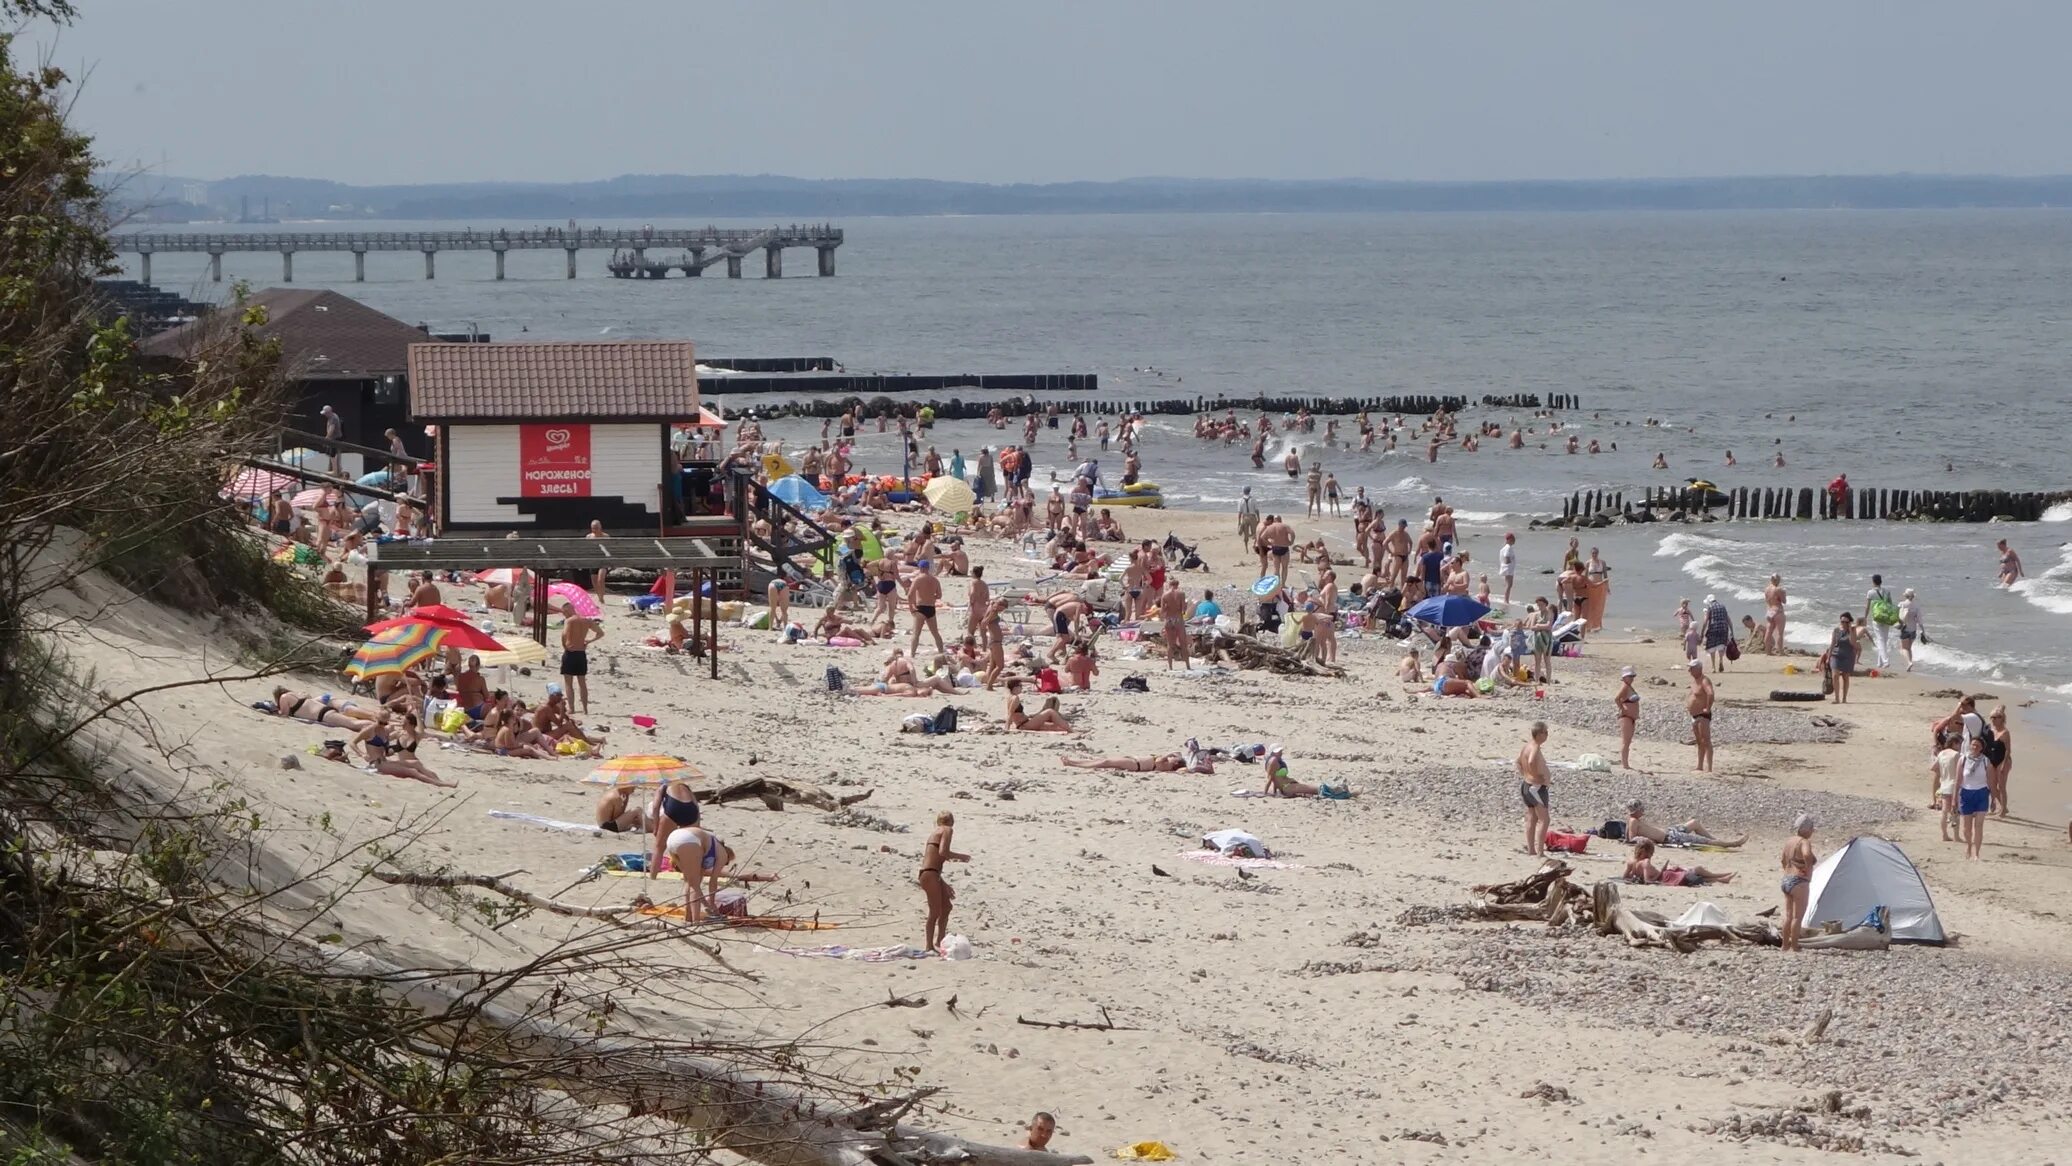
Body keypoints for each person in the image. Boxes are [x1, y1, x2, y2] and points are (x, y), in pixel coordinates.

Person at [919, 811, 969, 952]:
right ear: (951, 821)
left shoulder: (936, 831)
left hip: (931, 874)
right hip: (930, 874)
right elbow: (943, 852)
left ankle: (940, 940)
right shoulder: (947, 830)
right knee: (934, 911)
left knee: (946, 907)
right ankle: (929, 946)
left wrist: (943, 883)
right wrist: (961, 857)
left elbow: (934, 859)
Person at [665, 824, 734, 923]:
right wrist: (711, 903)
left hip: (673, 838)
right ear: (728, 856)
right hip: (689, 840)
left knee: (689, 881)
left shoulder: (707, 850)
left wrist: (708, 903)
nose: (724, 864)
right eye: (727, 863)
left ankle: (688, 917)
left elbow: (697, 878)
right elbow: (713, 881)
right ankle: (696, 920)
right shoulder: (722, 854)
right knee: (694, 884)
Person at [1625, 800, 1745, 848]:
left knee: (1694, 822)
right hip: (1670, 838)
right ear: (1636, 811)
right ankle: (1731, 844)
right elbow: (1632, 839)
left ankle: (1716, 840)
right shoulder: (1633, 822)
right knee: (1701, 840)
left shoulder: (1634, 820)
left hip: (1670, 832)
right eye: (1641, 809)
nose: (1643, 811)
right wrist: (1648, 841)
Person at [1625, 839, 1735, 887]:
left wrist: (1634, 878)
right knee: (1697, 871)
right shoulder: (1646, 862)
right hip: (1667, 877)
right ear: (1646, 852)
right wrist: (1662, 871)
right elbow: (1648, 881)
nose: (1652, 856)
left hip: (1666, 876)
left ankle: (1721, 878)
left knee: (1696, 876)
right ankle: (1721, 876)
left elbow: (1625, 877)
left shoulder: (1631, 862)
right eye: (1651, 853)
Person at [1780, 815, 1817, 953]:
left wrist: (1788, 871)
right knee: (1797, 916)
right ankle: (1794, 946)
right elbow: (1807, 855)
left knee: (1788, 915)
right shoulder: (1803, 842)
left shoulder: (1789, 841)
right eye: (1812, 829)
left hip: (1786, 879)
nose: (1812, 832)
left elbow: (1783, 860)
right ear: (1806, 830)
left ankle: (1784, 946)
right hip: (1799, 881)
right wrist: (1807, 870)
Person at [559, 601, 604, 715]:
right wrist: (589, 641)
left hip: (570, 653)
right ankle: (585, 709)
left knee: (569, 683)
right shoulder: (586, 620)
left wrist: (565, 647)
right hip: (581, 653)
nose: (564, 615)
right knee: (582, 683)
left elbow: (564, 636)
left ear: (567, 610)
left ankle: (572, 708)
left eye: (564, 612)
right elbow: (600, 633)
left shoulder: (569, 621)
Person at [1516, 722, 1552, 854]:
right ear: (1539, 734)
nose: (1547, 735)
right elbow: (1530, 761)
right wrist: (1535, 777)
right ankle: (1540, 852)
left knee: (1532, 817)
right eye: (1545, 733)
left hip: (1527, 786)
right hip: (1536, 788)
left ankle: (1531, 850)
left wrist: (1526, 775)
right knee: (1544, 819)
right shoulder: (1535, 747)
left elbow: (1518, 762)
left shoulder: (1527, 746)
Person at [1958, 734, 1991, 860]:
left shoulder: (1986, 761)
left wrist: (1993, 798)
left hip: (1981, 792)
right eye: (1973, 744)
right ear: (1970, 745)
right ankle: (1968, 846)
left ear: (1982, 747)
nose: (1975, 747)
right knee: (1967, 827)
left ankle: (1976, 853)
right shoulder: (1963, 759)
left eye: (1978, 745)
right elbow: (1958, 778)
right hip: (1966, 793)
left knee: (1979, 825)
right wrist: (1955, 797)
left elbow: (1991, 780)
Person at [1862, 574, 1899, 671]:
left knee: (1880, 639)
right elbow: (1890, 604)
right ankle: (1880, 662)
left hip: (1877, 618)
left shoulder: (1870, 592)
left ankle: (1886, 661)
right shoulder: (1887, 591)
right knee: (1884, 639)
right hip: (1886, 617)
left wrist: (1865, 618)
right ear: (1881, 581)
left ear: (1873, 582)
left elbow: (1868, 606)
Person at [1004, 678, 1069, 732]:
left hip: (1026, 722)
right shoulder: (1015, 698)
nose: (1022, 688)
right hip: (1024, 724)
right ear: (1015, 688)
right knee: (1050, 711)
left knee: (1054, 726)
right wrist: (1007, 728)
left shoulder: (1010, 697)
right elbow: (1010, 713)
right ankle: (1071, 730)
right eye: (1020, 686)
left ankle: (1069, 729)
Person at [1824, 611, 1861, 704]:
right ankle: (1837, 698)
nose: (1844, 623)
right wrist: (1828, 657)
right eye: (1842, 621)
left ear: (1849, 622)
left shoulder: (1852, 630)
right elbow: (1832, 644)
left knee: (1845, 677)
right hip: (1836, 655)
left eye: (1846, 622)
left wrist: (1850, 630)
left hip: (1848, 656)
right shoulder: (1836, 630)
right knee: (1835, 675)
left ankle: (1844, 698)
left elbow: (1853, 643)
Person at [1686, 659, 1714, 772]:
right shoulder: (1694, 681)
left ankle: (1710, 768)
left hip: (1703, 714)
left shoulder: (1704, 680)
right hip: (1694, 715)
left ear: (1698, 669)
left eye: (1691, 669)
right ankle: (1700, 765)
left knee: (1706, 740)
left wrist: (1708, 708)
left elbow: (1710, 693)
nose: (1689, 671)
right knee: (1699, 741)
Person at [1987, 705, 2014, 818]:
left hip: (2003, 760)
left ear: (2002, 718)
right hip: (1992, 759)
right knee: (1992, 785)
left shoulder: (2005, 732)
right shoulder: (1990, 729)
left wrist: (2003, 764)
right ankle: (2001, 806)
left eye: (1996, 717)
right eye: (1992, 717)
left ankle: (2003, 810)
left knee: (2002, 786)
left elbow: (2008, 750)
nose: (1993, 719)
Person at [1158, 579, 1191, 670]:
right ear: (1177, 585)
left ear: (1169, 585)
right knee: (1183, 644)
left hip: (1168, 619)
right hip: (1178, 619)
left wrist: (1167, 607)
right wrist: (1185, 605)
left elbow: (1162, 611)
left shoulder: (1164, 595)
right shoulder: (1181, 594)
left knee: (1170, 644)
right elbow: (1183, 610)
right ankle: (1188, 666)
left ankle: (1170, 667)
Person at [1614, 665, 1640, 769]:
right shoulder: (1624, 686)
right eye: (1630, 676)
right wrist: (1623, 708)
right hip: (1626, 717)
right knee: (1625, 741)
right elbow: (1616, 698)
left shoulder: (1629, 686)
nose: (1632, 679)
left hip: (1631, 717)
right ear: (1624, 677)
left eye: (1632, 676)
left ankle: (1626, 763)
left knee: (1628, 741)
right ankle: (1625, 764)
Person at [1701, 594, 1732, 672]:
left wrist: (1702, 632)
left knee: (1712, 648)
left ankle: (1713, 667)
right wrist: (1732, 630)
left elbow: (1706, 621)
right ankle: (1721, 661)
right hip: (1723, 628)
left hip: (1713, 628)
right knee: (1721, 646)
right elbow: (1728, 619)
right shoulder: (1723, 606)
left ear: (1709, 601)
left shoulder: (1710, 608)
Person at [1897, 588, 1925, 671]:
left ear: (1905, 595)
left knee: (1904, 648)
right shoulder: (1916, 606)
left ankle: (1909, 662)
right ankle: (1909, 664)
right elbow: (1919, 620)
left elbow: (1897, 616)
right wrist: (1923, 631)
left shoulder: (1901, 604)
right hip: (1913, 630)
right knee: (1909, 648)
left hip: (1904, 629)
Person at [1762, 574, 1787, 655]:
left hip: (1770, 611)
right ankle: (1781, 651)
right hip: (1778, 610)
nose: (1779, 582)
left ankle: (1768, 651)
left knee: (1768, 632)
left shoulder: (1766, 589)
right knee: (1780, 633)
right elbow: (1784, 601)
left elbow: (1767, 600)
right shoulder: (1778, 589)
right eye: (1779, 580)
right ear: (1776, 580)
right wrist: (1784, 593)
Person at [1498, 532, 1517, 605]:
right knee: (1509, 584)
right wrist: (1509, 562)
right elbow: (1506, 556)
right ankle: (1506, 600)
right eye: (1513, 539)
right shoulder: (1508, 547)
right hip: (1508, 568)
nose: (1514, 540)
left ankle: (1506, 599)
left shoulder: (1505, 547)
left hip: (1507, 568)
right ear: (1509, 539)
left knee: (1508, 584)